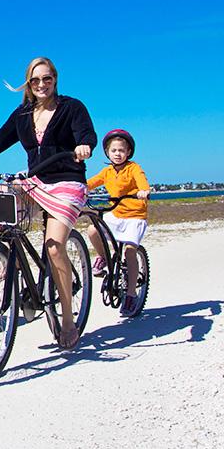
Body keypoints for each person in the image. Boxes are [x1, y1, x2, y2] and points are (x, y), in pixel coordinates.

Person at [0, 56, 97, 350]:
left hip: (67, 182)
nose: (42, 84)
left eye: (47, 79)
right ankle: (6, 256)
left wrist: (84, 146)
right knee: (5, 200)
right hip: (36, 180)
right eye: (36, 80)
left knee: (54, 246)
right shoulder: (22, 114)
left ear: (55, 79)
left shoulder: (72, 107)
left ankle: (68, 320)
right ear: (28, 84)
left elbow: (87, 134)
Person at [85, 129, 151, 317]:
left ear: (128, 152)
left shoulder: (134, 168)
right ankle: (103, 257)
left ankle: (131, 294)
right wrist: (79, 187)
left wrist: (143, 191)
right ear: (107, 152)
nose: (117, 154)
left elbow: (142, 182)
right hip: (116, 213)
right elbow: (90, 183)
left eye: (122, 150)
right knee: (92, 229)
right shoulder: (107, 172)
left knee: (130, 251)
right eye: (113, 151)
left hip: (134, 216)